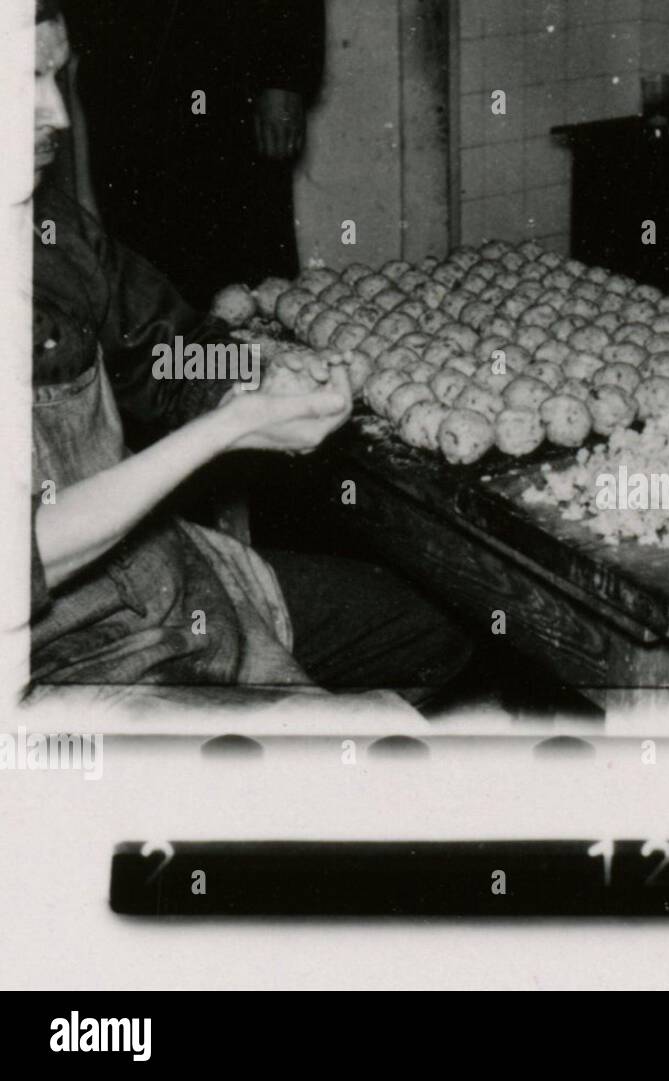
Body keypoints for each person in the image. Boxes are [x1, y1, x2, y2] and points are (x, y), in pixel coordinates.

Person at [24, 1, 471, 709]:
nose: (59, 113)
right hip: (65, 666)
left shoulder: (47, 229)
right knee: (350, 754)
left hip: (162, 579)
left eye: (55, 74)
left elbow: (160, 356)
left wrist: (251, 376)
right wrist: (232, 425)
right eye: (23, 80)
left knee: (443, 631)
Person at [61, 0, 324, 309]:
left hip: (231, 81)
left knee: (248, 279)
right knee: (140, 269)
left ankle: (245, 355)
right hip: (125, 78)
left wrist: (285, 77)